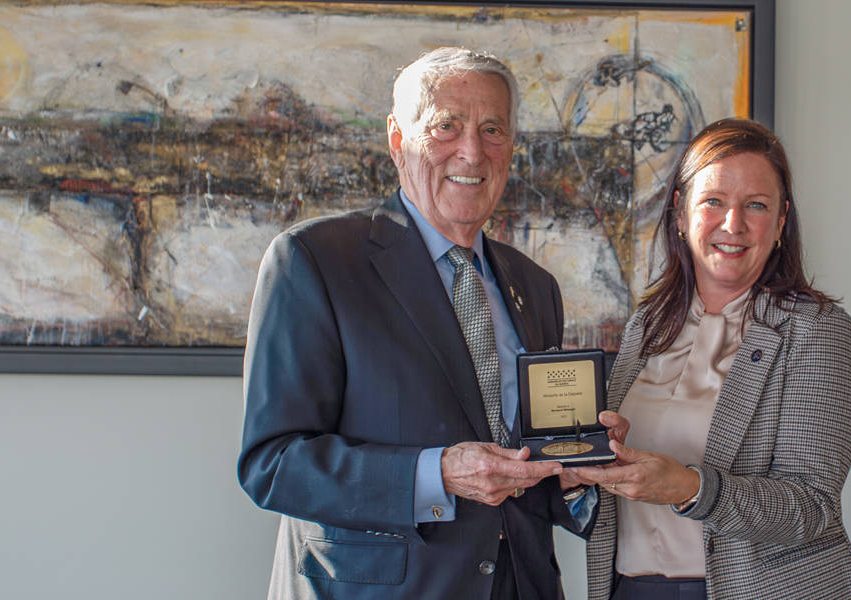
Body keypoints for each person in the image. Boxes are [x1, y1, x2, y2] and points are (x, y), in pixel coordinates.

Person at [237, 47, 590, 600]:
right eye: (446, 126)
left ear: (511, 147)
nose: (471, 152)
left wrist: (575, 471)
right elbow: (274, 463)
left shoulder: (535, 286)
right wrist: (437, 474)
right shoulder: (315, 260)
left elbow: (526, 468)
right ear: (398, 140)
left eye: (492, 129)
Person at [570, 118, 851, 599]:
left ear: (780, 222)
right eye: (714, 201)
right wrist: (585, 468)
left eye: (756, 205)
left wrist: (689, 488)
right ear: (682, 213)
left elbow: (812, 507)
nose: (733, 224)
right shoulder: (646, 325)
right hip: (630, 589)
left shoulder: (816, 330)